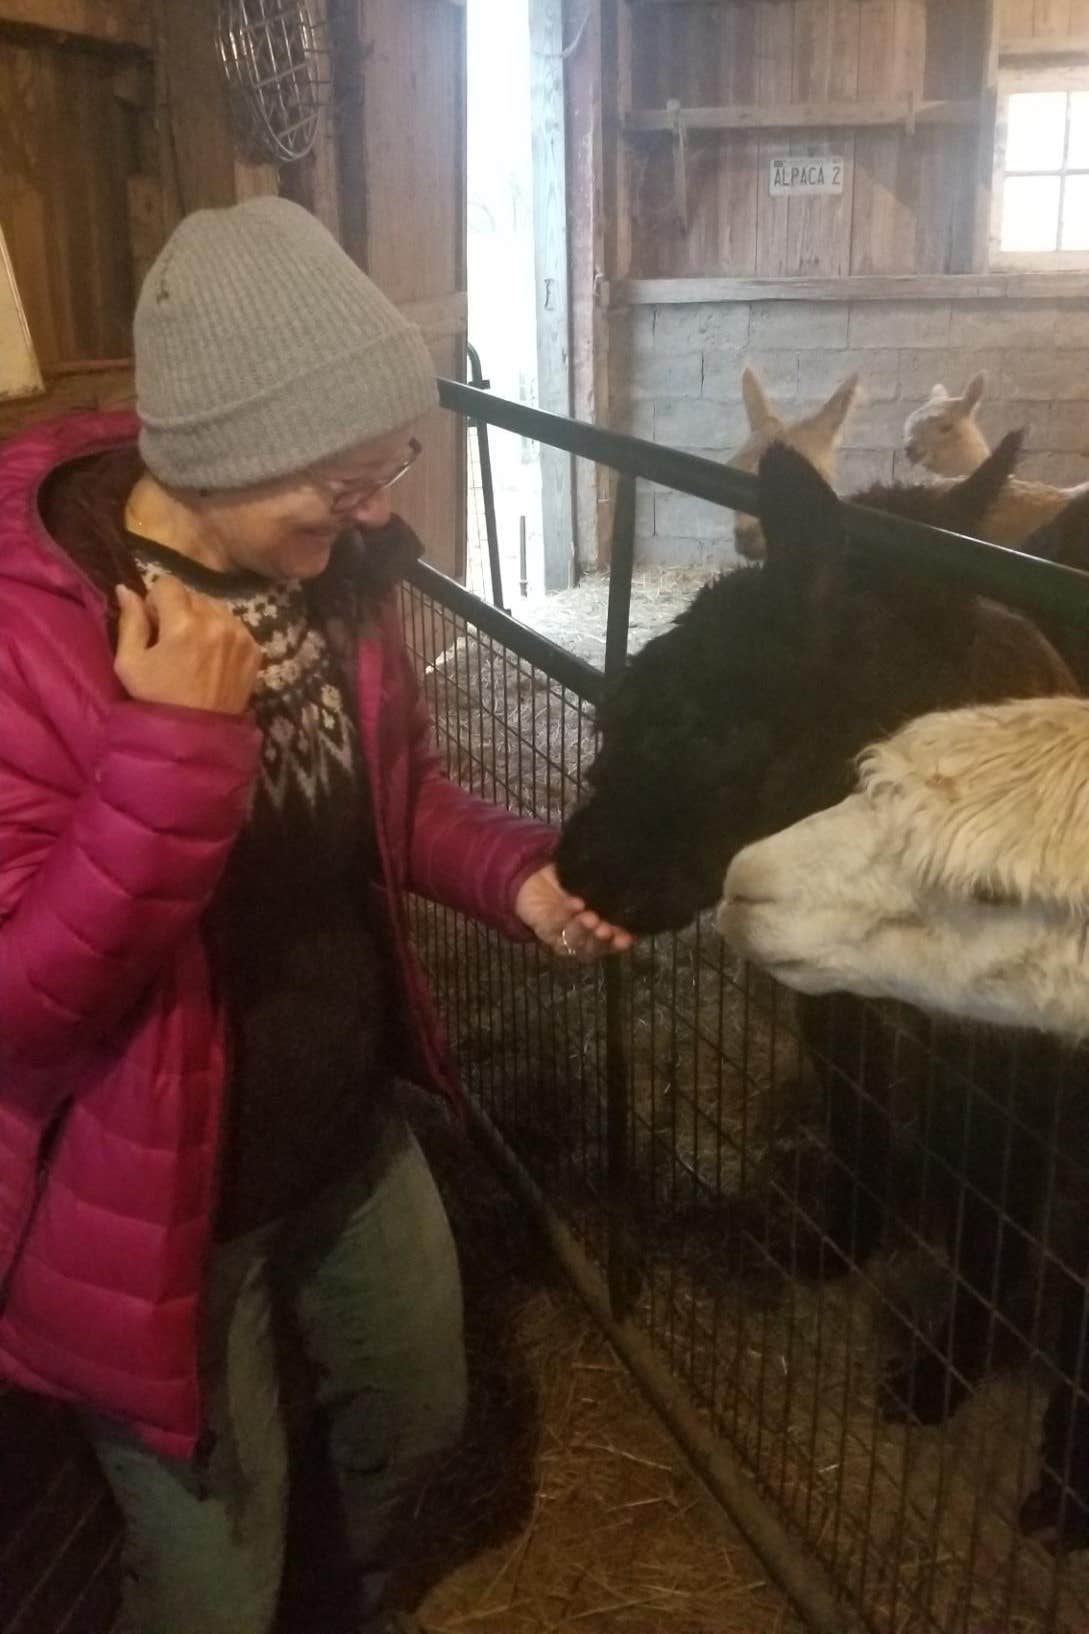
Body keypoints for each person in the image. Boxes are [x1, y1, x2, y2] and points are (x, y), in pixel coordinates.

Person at [0, 197, 631, 1634]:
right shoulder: (34, 632)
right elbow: (27, 998)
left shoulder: (329, 580)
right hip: (158, 1192)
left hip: (340, 1121)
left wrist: (519, 875)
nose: (380, 509)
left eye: (384, 466)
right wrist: (172, 754)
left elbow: (392, 799)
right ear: (227, 450)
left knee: (417, 1420)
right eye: (342, 478)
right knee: (210, 1578)